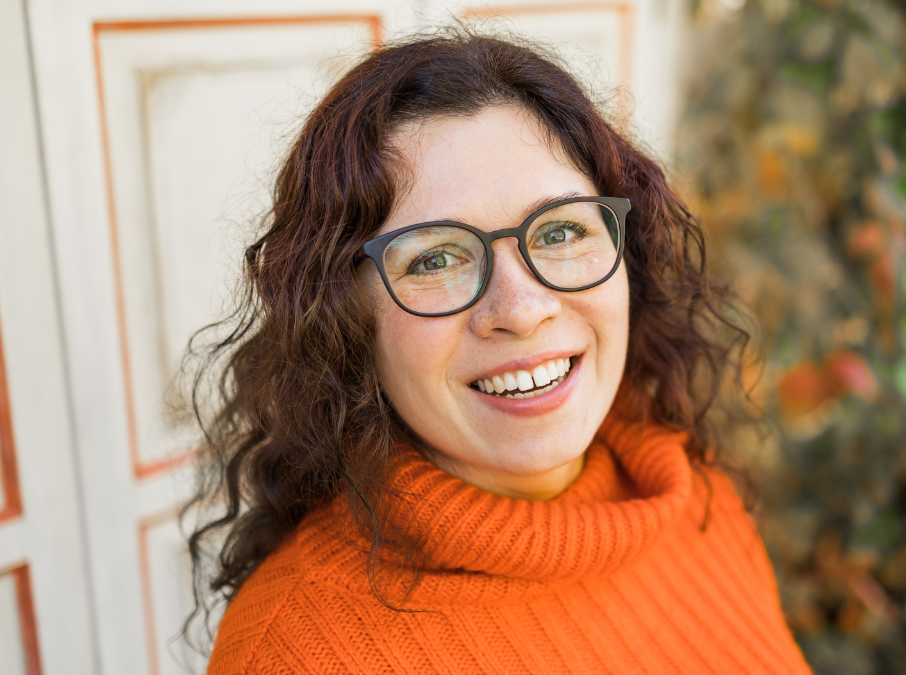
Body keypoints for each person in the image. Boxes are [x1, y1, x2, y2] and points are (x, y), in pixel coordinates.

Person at [188, 30, 811, 674]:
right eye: (436, 259)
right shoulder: (295, 651)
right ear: (344, 319)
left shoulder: (698, 499)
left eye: (561, 231)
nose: (521, 309)